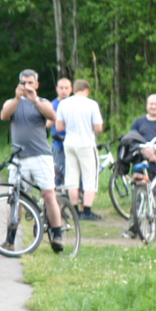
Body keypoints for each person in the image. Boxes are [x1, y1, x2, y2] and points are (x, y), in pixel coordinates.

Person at [0, 69, 65, 253]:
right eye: (23, 82)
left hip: (40, 155)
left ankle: (57, 234)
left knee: (48, 194)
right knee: (15, 198)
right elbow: (4, 115)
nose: (26, 86)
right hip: (19, 157)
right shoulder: (12, 103)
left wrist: (34, 99)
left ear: (36, 84)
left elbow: (52, 116)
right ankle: (10, 239)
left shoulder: (42, 102)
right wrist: (17, 99)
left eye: (30, 83)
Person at [55, 79, 104, 220]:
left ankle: (74, 210)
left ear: (74, 89)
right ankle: (87, 211)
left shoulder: (63, 104)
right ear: (87, 90)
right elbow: (98, 127)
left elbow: (59, 127)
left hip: (69, 143)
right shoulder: (91, 104)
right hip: (86, 144)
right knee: (89, 178)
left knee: (72, 178)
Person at [48, 78, 72, 186]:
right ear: (57, 89)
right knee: (57, 172)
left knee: (71, 174)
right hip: (58, 144)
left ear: (71, 89)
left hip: (73, 143)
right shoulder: (52, 105)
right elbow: (46, 124)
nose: (64, 91)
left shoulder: (74, 103)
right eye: (61, 88)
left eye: (66, 88)